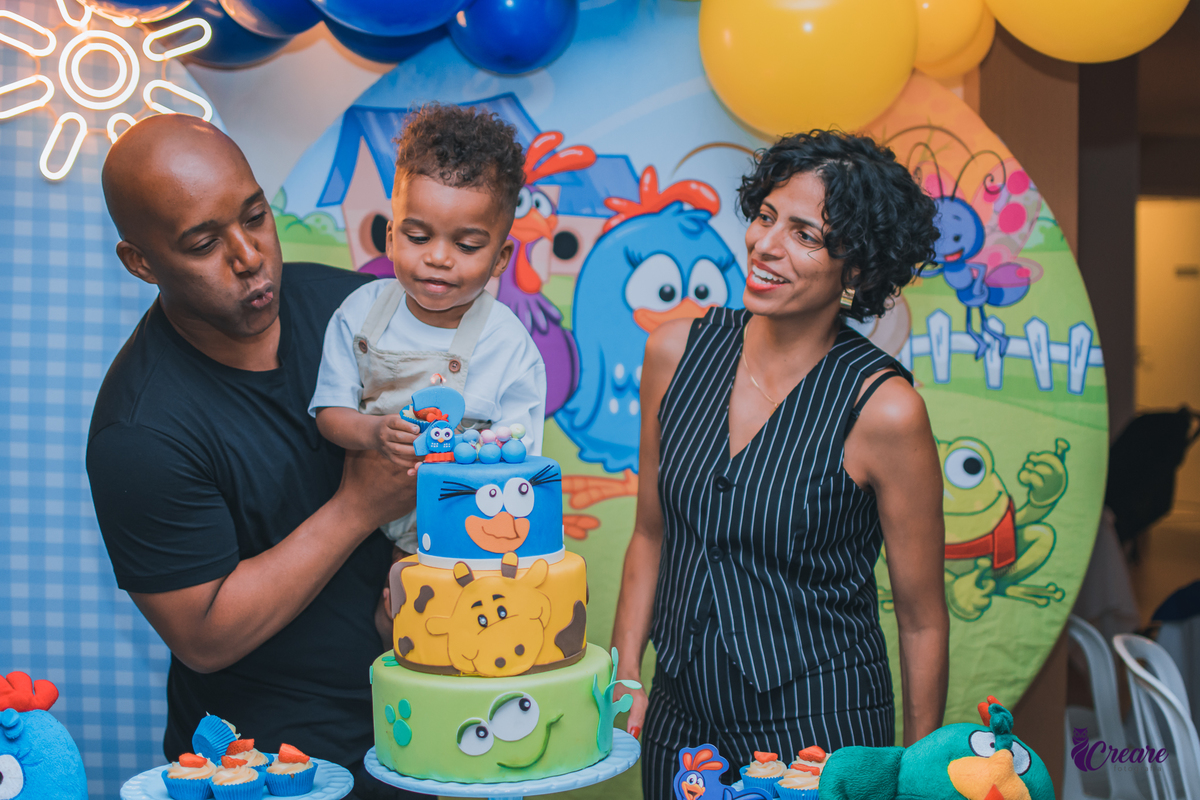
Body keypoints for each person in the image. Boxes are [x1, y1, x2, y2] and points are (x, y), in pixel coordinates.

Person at [87, 114, 426, 799]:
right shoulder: (140, 430)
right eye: (204, 243)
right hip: (269, 765)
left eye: (255, 217)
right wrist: (357, 507)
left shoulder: (353, 312)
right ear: (141, 262)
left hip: (421, 729)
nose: (248, 257)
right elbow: (204, 636)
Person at [610, 130, 951, 799]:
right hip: (679, 723)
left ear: (857, 271)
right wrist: (627, 675)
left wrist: (914, 775)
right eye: (765, 217)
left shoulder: (885, 410)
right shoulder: (674, 352)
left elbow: (921, 619)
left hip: (821, 731)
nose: (766, 245)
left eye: (805, 234)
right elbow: (650, 534)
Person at [310, 103, 546, 554]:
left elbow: (518, 461)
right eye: (417, 237)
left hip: (467, 522)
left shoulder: (509, 346)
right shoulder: (359, 314)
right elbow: (329, 413)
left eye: (467, 245)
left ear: (500, 259)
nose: (438, 257)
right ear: (390, 238)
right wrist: (373, 433)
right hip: (364, 517)